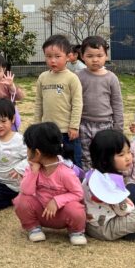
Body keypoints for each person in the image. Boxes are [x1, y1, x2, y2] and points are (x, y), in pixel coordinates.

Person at [13, 122, 87, 245]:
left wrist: (57, 201)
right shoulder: (32, 168)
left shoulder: (65, 172)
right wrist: (33, 172)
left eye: (27, 147)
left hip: (62, 214)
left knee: (76, 209)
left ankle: (76, 231)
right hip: (42, 213)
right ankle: (33, 228)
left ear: (37, 153)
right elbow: (26, 191)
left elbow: (78, 193)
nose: (26, 151)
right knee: (21, 200)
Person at [83, 129, 135, 243]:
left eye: (129, 152)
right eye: (121, 154)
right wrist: (131, 206)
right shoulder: (108, 182)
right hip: (105, 228)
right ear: (105, 159)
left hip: (90, 225)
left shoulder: (93, 175)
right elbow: (123, 211)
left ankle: (133, 229)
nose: (128, 157)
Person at [33, 34, 83, 168]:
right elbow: (39, 103)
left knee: (72, 163)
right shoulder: (43, 77)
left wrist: (74, 126)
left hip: (67, 131)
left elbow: (77, 104)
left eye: (57, 56)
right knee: (50, 161)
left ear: (68, 56)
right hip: (47, 131)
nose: (52, 60)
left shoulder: (72, 78)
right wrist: (37, 125)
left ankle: (77, 186)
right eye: (48, 56)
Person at [77, 35, 123, 169]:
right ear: (82, 56)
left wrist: (118, 128)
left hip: (105, 124)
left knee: (104, 155)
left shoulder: (111, 78)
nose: (95, 59)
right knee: (86, 156)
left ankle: (105, 182)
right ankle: (88, 183)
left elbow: (117, 103)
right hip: (83, 124)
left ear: (106, 56)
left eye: (99, 55)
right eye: (90, 56)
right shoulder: (78, 76)